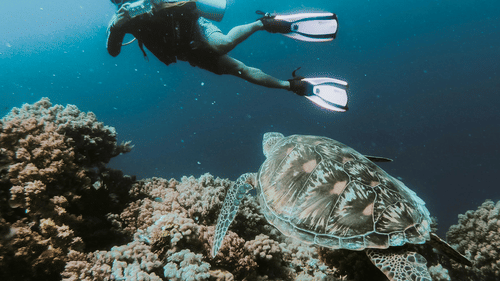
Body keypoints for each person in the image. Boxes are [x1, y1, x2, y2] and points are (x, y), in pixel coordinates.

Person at [107, 0, 349, 111]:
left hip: (199, 29)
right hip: (188, 52)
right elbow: (113, 52)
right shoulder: (121, 22)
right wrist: (117, 28)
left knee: (222, 44)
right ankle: (293, 85)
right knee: (239, 70)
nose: (128, 4)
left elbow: (193, 6)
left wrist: (161, 3)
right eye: (120, 2)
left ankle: (263, 23)